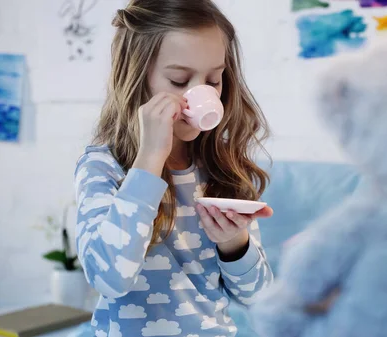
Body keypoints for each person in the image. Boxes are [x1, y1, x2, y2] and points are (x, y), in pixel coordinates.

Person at [73, 1, 274, 336]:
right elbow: (109, 278)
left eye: (214, 80)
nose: (202, 94)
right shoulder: (103, 168)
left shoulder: (223, 169)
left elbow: (262, 298)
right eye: (179, 81)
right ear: (137, 80)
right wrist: (150, 159)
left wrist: (235, 243)